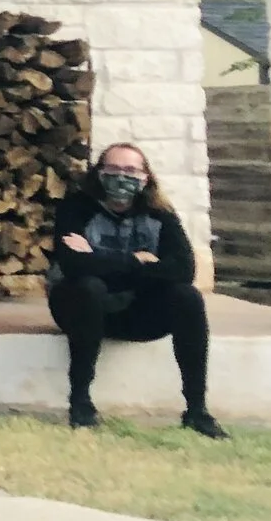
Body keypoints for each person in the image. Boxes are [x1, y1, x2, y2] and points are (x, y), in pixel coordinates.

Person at [49, 143, 224, 437]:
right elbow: (72, 265)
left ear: (145, 177)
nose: (121, 177)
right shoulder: (76, 208)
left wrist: (98, 259)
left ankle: (197, 410)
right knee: (89, 287)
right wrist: (137, 261)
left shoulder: (161, 214)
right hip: (82, 309)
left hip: (138, 312)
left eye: (130, 170)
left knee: (187, 297)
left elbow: (183, 270)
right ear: (99, 174)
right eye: (113, 169)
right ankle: (80, 401)